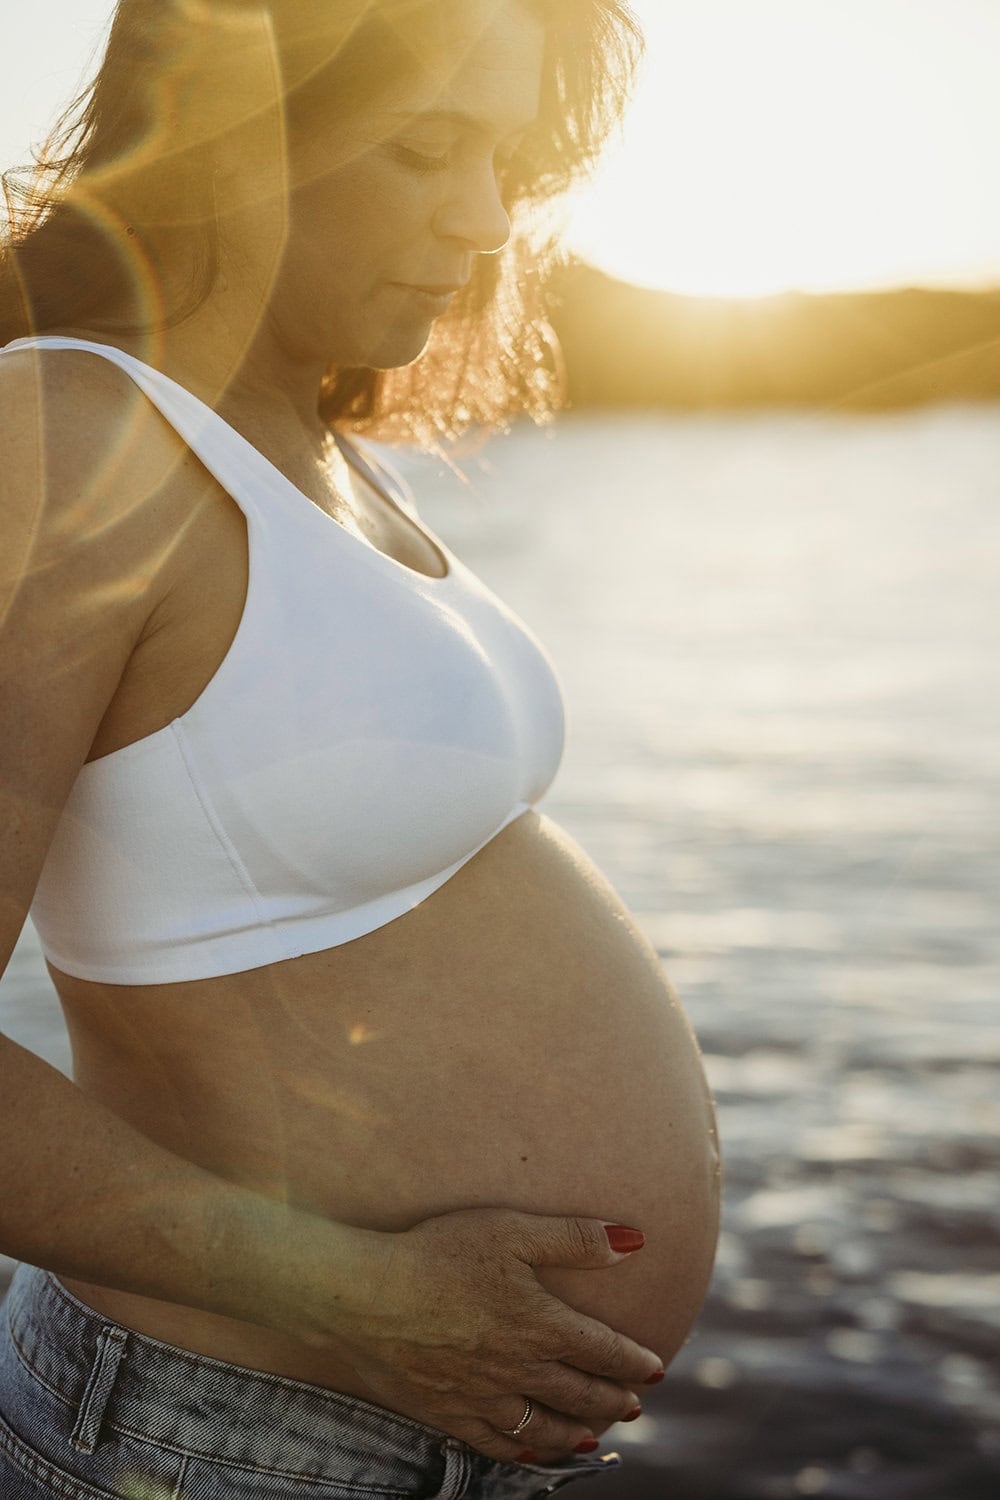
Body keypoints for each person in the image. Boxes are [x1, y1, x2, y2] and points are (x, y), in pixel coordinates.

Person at [0, 1, 721, 1495]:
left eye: (507, 164)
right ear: (225, 130)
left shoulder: (309, 448)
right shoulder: (74, 433)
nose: (483, 222)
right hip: (214, 1438)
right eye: (427, 150)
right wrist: (362, 1297)